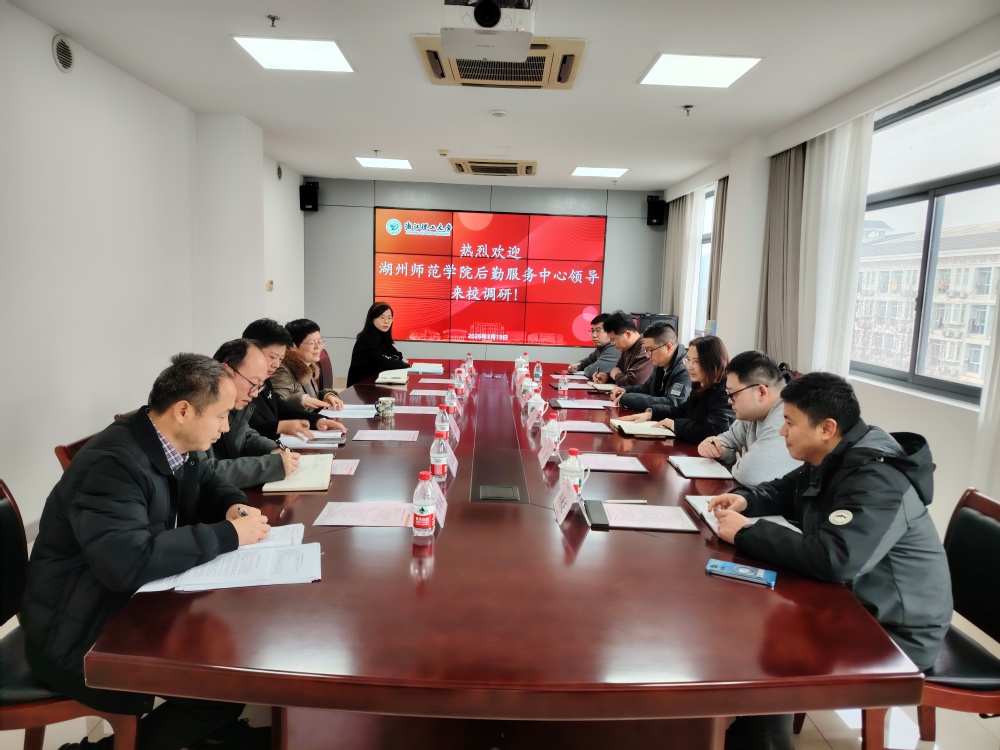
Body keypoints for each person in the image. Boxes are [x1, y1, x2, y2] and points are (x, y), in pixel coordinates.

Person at [21, 354, 272, 750]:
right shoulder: (113, 464)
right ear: (183, 411)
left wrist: (233, 507)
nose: (226, 427)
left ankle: (210, 731)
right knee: (222, 683)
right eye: (222, 416)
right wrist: (227, 535)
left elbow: (209, 482)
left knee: (234, 648)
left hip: (116, 600)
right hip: (74, 626)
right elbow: (127, 561)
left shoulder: (171, 440)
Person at [708, 372, 952, 750]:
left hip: (895, 629)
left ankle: (761, 738)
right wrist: (747, 499)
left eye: (789, 423)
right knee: (748, 618)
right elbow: (787, 489)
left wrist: (746, 533)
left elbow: (835, 559)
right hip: (855, 601)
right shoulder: (835, 454)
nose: (782, 431)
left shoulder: (876, 476)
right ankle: (746, 727)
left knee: (767, 638)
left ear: (826, 428)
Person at [197, 339, 300, 488]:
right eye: (253, 384)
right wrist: (270, 465)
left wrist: (277, 450)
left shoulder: (236, 404)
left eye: (259, 387)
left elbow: (247, 437)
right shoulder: (197, 405)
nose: (255, 394)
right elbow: (202, 473)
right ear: (226, 372)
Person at [697, 351, 800, 487]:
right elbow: (728, 439)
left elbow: (751, 474)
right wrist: (721, 451)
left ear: (761, 392)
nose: (729, 400)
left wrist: (741, 462)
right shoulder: (753, 414)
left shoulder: (785, 418)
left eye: (733, 394)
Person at [615, 335, 734, 443]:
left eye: (695, 362)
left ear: (712, 363)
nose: (689, 367)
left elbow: (713, 431)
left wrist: (675, 425)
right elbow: (682, 410)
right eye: (688, 360)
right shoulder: (700, 385)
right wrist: (651, 413)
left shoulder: (725, 391)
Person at [241, 318, 345, 441]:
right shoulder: (237, 383)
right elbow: (245, 432)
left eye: (281, 359)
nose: (276, 365)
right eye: (272, 357)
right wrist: (279, 427)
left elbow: (280, 406)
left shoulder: (265, 378)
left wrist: (317, 420)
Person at [609, 321, 690, 412]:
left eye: (650, 350)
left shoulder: (685, 369)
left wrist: (627, 398)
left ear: (668, 347)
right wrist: (626, 390)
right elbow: (647, 388)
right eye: (646, 350)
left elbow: (672, 404)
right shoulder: (662, 362)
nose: (648, 356)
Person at [271, 318, 344, 410]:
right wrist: (301, 400)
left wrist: (327, 395)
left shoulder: (306, 364)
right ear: (292, 346)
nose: (318, 347)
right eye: (312, 343)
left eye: (320, 342)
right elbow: (276, 403)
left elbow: (311, 397)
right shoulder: (283, 370)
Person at [346, 302, 410, 387]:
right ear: (372, 319)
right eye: (382, 317)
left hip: (374, 382)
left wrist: (393, 360)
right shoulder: (366, 339)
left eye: (389, 318)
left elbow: (397, 354)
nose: (386, 321)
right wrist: (403, 364)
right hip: (360, 387)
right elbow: (383, 363)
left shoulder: (382, 336)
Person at [591, 311, 652, 387]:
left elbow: (634, 383)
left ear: (628, 334)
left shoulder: (645, 348)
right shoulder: (626, 347)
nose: (612, 343)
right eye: (610, 340)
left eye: (613, 340)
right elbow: (619, 373)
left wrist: (616, 374)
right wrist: (607, 377)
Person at [567, 313, 618, 379]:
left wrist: (587, 369)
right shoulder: (601, 348)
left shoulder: (614, 348)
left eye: (598, 330)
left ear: (609, 331)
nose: (594, 335)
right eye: (592, 331)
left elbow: (592, 371)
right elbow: (587, 361)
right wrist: (576, 366)